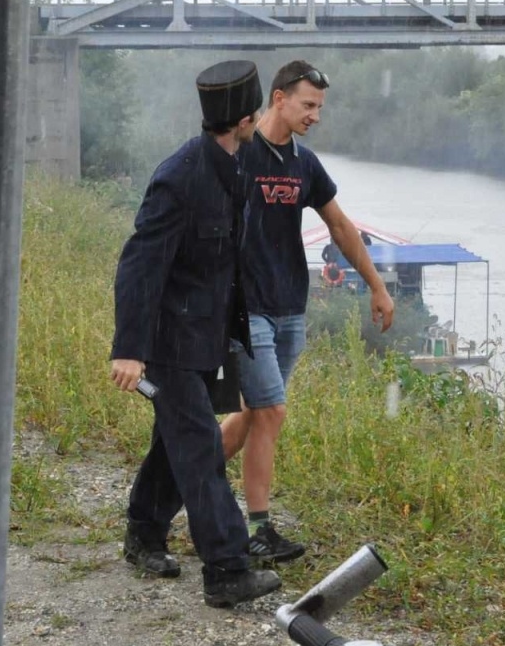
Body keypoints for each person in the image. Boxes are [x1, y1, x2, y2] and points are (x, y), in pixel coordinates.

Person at [109, 60, 281, 608]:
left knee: (175, 443)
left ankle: (143, 533)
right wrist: (129, 350)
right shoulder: (180, 177)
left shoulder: (238, 163)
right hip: (168, 344)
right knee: (202, 446)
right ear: (245, 119)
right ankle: (226, 569)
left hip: (210, 337)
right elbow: (139, 267)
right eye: (258, 113)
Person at [220, 60, 396, 563]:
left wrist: (377, 286)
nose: (315, 115)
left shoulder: (304, 164)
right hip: (244, 306)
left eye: (319, 107)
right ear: (279, 98)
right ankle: (259, 528)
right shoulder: (239, 152)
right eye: (308, 105)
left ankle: (174, 487)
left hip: (289, 308)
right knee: (271, 410)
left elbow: (340, 226)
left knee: (253, 413)